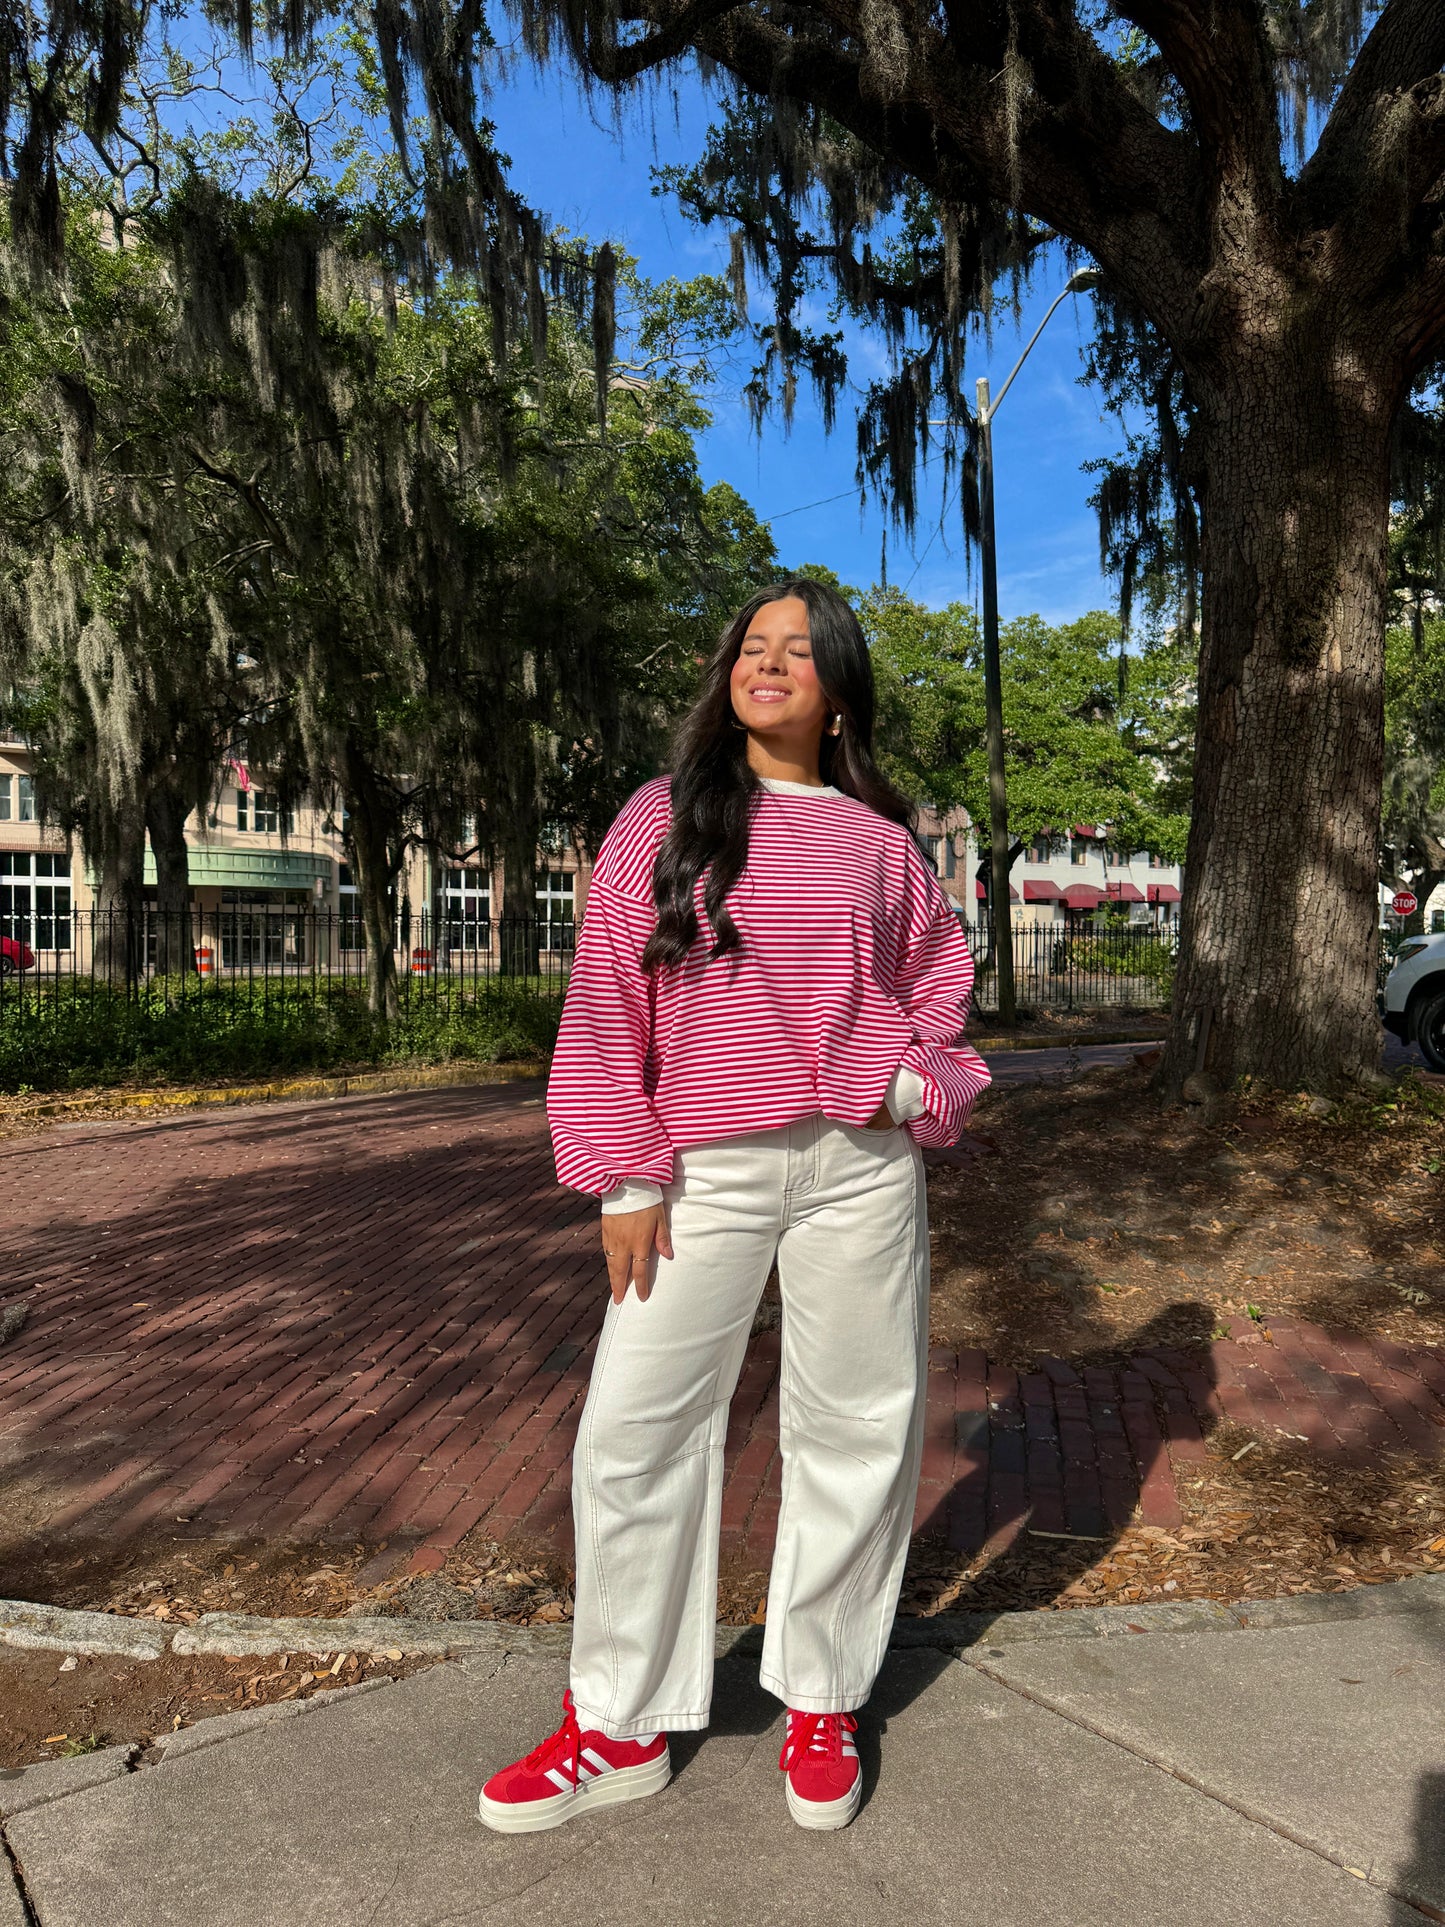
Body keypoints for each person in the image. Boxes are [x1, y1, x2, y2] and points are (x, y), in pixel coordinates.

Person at [477, 577, 990, 1835]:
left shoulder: (879, 842)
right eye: (752, 646)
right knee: (634, 1426)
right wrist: (625, 1170)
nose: (769, 664)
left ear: (835, 692)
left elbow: (939, 970)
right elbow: (607, 995)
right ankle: (619, 1719)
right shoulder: (662, 817)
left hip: (858, 1169)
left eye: (798, 652)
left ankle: (821, 1694)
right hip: (701, 1169)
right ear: (728, 675)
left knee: (856, 1424)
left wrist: (917, 1078)